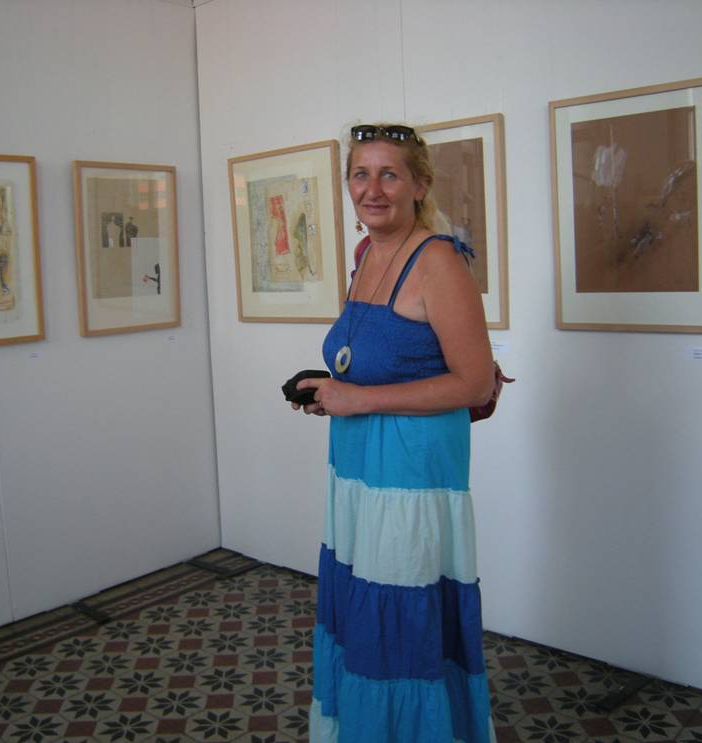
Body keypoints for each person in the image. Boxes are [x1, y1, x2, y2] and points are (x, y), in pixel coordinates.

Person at [292, 123, 495, 742]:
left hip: (410, 479)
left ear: (419, 185)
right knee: (365, 613)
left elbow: (474, 383)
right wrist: (330, 389)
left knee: (402, 620)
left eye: (389, 174)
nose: (372, 189)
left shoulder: (438, 261)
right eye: (361, 174)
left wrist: (359, 398)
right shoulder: (365, 256)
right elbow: (375, 357)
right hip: (357, 469)